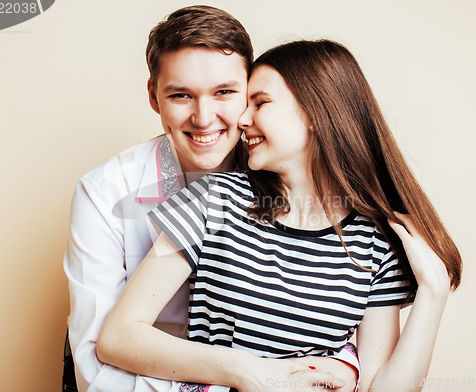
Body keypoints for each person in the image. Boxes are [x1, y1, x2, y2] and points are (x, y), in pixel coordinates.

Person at [96, 39, 462, 392]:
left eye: (260, 103)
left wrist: (434, 294)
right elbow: (118, 337)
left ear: (316, 113)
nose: (242, 119)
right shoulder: (212, 200)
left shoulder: (373, 243)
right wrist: (257, 374)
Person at [63, 6, 358, 392]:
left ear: (252, 93)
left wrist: (345, 366)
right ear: (154, 96)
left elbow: (329, 308)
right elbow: (96, 372)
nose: (204, 118)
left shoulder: (289, 175)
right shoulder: (103, 193)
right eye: (181, 95)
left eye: (224, 93)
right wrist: (234, 376)